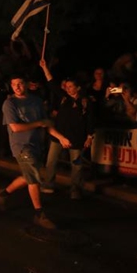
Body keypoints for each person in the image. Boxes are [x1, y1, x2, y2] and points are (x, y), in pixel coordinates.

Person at [0, 74, 72, 230]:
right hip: (21, 145)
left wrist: (61, 137)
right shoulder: (9, 103)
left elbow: (47, 124)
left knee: (28, 176)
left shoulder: (36, 101)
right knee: (34, 180)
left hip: (36, 144)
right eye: (14, 84)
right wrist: (39, 123)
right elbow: (15, 128)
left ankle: (3, 193)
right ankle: (39, 214)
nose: (17, 87)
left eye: (20, 83)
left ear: (26, 84)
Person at [38, 59, 95, 199]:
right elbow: (52, 84)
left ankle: (75, 189)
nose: (68, 89)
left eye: (71, 86)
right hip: (58, 136)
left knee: (76, 165)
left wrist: (89, 136)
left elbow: (90, 120)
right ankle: (49, 184)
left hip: (76, 137)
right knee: (51, 161)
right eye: (67, 86)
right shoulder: (64, 98)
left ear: (78, 88)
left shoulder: (85, 102)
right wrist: (45, 68)